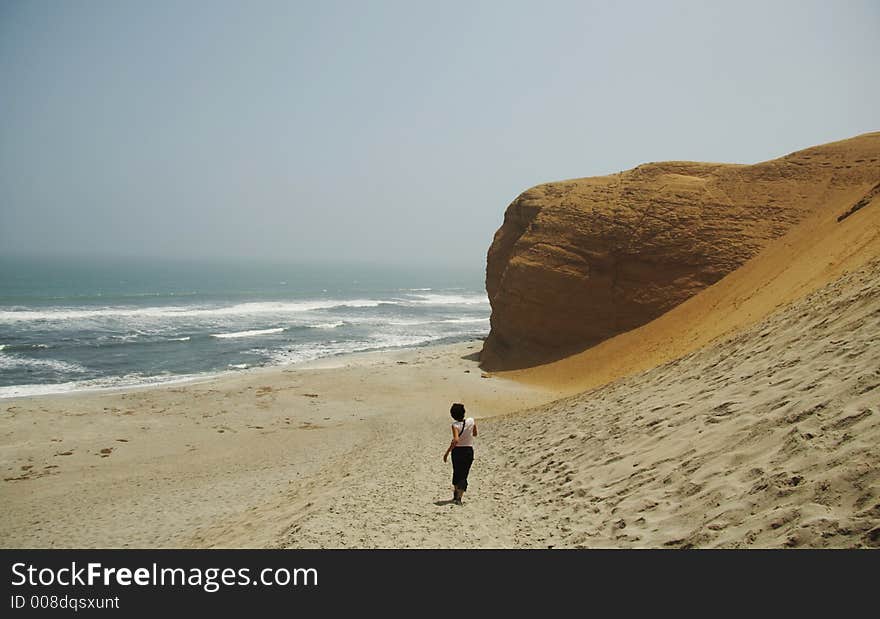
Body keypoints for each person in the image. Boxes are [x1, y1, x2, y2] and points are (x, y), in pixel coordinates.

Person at [442, 402, 478, 504]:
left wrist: (447, 453)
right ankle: (459, 498)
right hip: (468, 451)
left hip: (457, 451)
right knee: (464, 474)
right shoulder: (471, 421)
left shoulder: (455, 425)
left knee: (457, 472)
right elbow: (475, 434)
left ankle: (455, 494)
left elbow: (456, 440)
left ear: (453, 415)